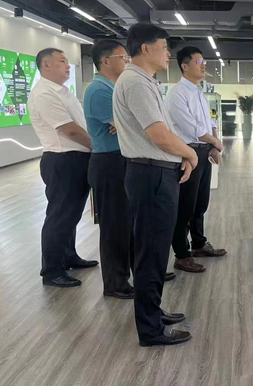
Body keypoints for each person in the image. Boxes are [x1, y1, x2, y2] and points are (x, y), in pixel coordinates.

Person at [113, 23, 198, 347]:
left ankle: (153, 311)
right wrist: (190, 153)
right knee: (151, 252)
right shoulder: (136, 82)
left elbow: (164, 131)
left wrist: (182, 155)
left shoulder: (144, 81)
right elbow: (159, 135)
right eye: (163, 47)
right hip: (150, 175)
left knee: (155, 250)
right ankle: (150, 329)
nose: (168, 53)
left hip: (154, 172)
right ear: (145, 48)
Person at [28, 48, 98, 288]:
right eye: (62, 61)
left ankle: (68, 256)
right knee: (59, 216)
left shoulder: (63, 92)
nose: (68, 66)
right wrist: (97, 146)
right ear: (46, 65)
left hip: (76, 159)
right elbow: (69, 130)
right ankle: (52, 270)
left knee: (71, 214)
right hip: (63, 160)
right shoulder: (44, 94)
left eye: (67, 62)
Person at [166, 47, 226, 274]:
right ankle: (182, 255)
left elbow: (209, 122)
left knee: (200, 202)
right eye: (199, 62)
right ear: (184, 66)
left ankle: (199, 243)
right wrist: (215, 141)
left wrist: (213, 146)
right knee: (185, 206)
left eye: (204, 61)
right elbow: (191, 127)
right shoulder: (177, 93)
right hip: (187, 152)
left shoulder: (198, 92)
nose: (204, 65)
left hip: (202, 150)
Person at [84, 40, 136, 299]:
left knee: (128, 223)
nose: (127, 61)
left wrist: (126, 123)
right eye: (122, 57)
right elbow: (133, 124)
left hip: (121, 159)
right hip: (109, 163)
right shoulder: (98, 91)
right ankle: (115, 283)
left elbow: (129, 123)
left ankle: (135, 273)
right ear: (105, 61)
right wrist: (126, 123)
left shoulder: (114, 88)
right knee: (115, 225)